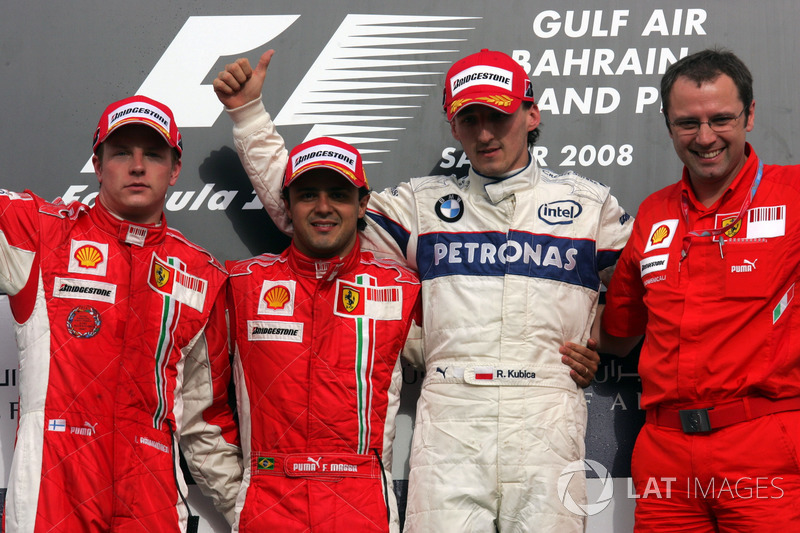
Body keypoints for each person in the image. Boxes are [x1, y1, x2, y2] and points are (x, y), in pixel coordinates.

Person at [214, 48, 631, 532]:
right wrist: (249, 115)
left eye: (498, 115)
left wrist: (603, 334)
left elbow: (650, 283)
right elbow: (310, 214)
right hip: (451, 411)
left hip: (546, 408)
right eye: (469, 119)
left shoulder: (586, 204)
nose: (484, 133)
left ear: (531, 114)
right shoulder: (421, 206)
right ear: (453, 127)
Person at [0, 95, 242, 532]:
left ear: (175, 169)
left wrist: (251, 517)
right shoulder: (39, 231)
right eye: (120, 153)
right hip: (52, 493)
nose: (136, 166)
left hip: (151, 500)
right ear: (97, 165)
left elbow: (204, 423)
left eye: (152, 154)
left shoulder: (202, 276)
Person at [601, 48, 800, 530]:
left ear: (750, 115)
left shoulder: (792, 194)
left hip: (762, 452)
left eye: (721, 119)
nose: (705, 137)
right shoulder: (653, 213)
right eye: (688, 123)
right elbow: (618, 333)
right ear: (668, 124)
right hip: (665, 459)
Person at [226, 136, 421, 532]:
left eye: (338, 194)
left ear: (362, 204)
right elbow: (199, 402)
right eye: (308, 194)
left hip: (362, 503)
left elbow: (460, 359)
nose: (323, 207)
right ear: (288, 203)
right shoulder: (241, 286)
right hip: (267, 502)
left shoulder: (403, 290)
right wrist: (240, 493)